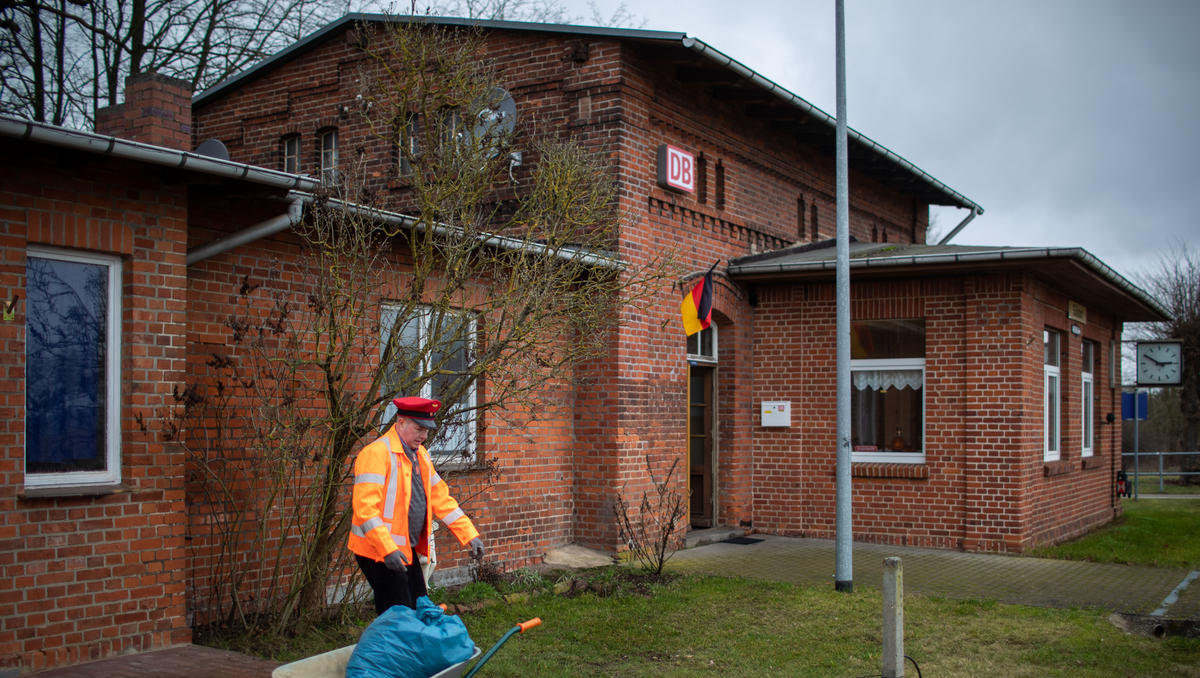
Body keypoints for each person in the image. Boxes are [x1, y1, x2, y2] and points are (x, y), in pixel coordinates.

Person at [348, 396, 485, 614]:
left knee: (418, 603)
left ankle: (410, 644)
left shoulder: (419, 454)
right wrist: (386, 550)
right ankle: (395, 646)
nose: (423, 436)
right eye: (419, 429)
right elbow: (365, 509)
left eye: (427, 430)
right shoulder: (376, 454)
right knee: (398, 611)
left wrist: (470, 535)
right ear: (401, 422)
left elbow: (440, 497)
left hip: (401, 548)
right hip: (377, 550)